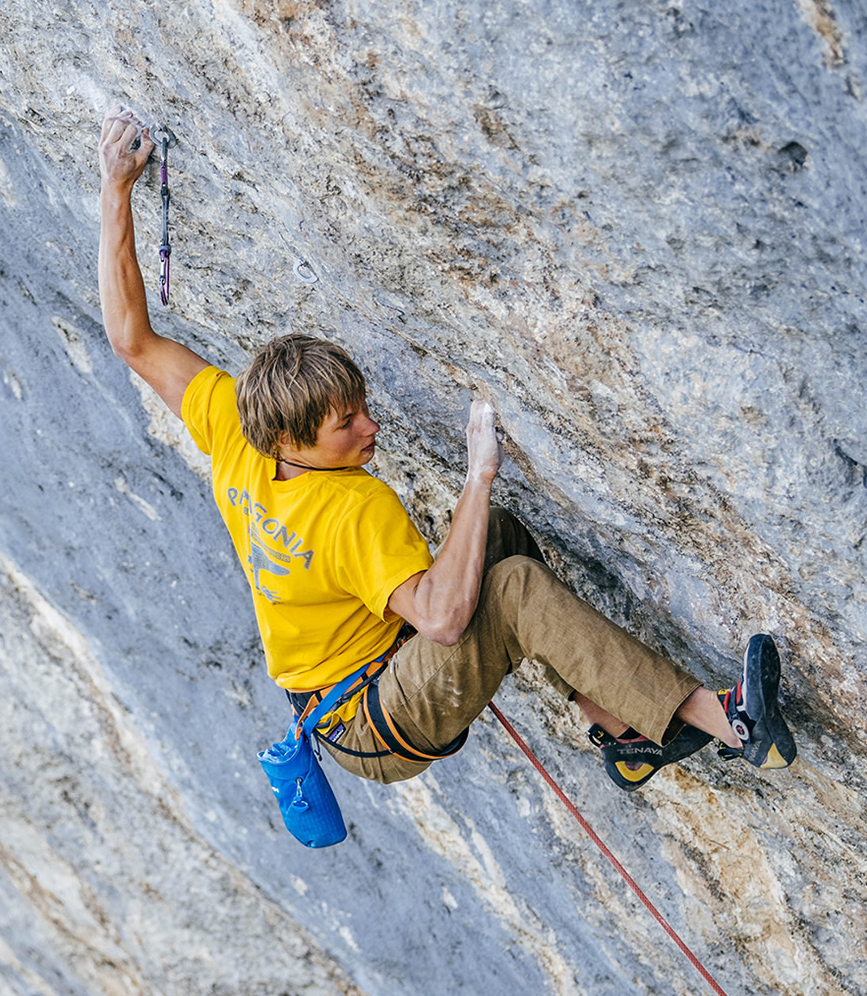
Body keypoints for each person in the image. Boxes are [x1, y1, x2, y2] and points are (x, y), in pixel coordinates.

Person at [92, 107, 796, 792]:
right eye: (347, 425)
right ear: (291, 437)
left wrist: (115, 187)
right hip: (375, 718)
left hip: (340, 697)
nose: (370, 429)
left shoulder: (236, 432)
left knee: (499, 537)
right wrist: (478, 475)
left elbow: (132, 337)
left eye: (361, 406)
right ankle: (731, 724)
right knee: (512, 590)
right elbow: (443, 618)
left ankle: (623, 727)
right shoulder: (350, 508)